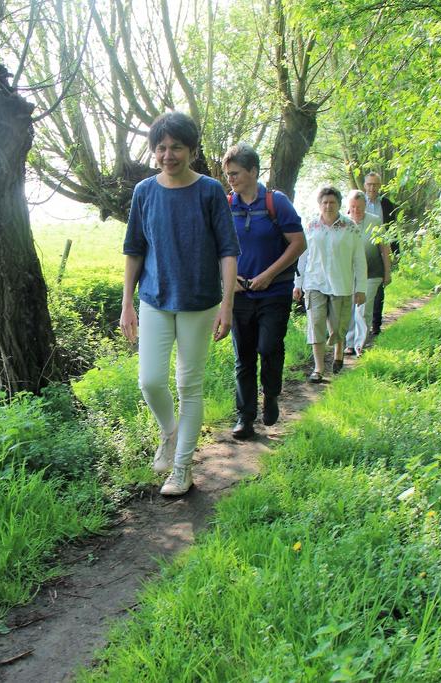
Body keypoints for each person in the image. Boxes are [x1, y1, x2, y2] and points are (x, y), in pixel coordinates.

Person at [120, 112, 240, 496]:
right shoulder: (144, 192)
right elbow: (134, 250)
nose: (168, 155)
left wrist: (227, 305)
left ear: (191, 150)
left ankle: (183, 468)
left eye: (176, 147)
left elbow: (227, 251)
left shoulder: (209, 192)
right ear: (154, 150)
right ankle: (169, 432)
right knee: (150, 380)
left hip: (200, 302)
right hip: (155, 298)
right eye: (161, 147)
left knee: (189, 384)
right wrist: (127, 303)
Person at [222, 143, 306, 440]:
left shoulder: (276, 203)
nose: (230, 179)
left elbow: (299, 243)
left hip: (275, 292)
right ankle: (245, 417)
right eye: (227, 174)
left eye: (235, 173)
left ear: (253, 171)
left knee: (268, 347)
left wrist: (269, 275)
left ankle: (271, 395)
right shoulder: (226, 205)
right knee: (243, 357)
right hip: (240, 295)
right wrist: (227, 283)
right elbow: (216, 249)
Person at [293, 187, 366, 383]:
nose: (328, 206)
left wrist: (361, 288)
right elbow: (302, 256)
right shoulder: (310, 226)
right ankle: (318, 368)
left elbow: (359, 259)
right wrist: (297, 283)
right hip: (314, 282)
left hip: (341, 283)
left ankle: (339, 351)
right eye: (324, 202)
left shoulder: (350, 227)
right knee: (315, 323)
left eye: (332, 202)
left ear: (339, 204)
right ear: (319, 204)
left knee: (337, 326)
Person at [344, 190, 391, 356]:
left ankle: (359, 344)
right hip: (349, 274)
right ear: (348, 207)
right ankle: (349, 343)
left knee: (363, 309)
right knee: (349, 309)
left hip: (372, 272)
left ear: (365, 206)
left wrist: (387, 271)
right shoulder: (343, 222)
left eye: (359, 207)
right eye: (353, 207)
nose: (356, 210)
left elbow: (385, 248)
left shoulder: (375, 221)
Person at [363, 172, 399, 335]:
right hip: (362, 249)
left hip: (381, 248)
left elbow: (393, 229)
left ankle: (376, 325)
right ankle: (359, 323)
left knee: (379, 286)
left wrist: (396, 252)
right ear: (365, 185)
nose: (372, 188)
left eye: (375, 184)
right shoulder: (357, 201)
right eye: (369, 184)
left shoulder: (386, 204)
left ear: (379, 186)